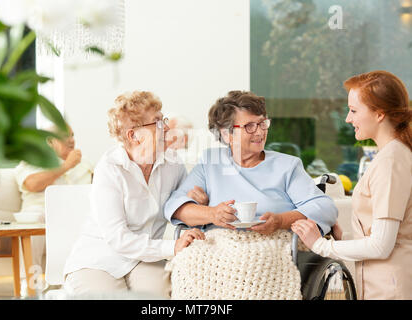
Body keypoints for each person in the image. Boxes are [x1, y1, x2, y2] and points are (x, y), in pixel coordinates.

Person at [63, 91, 205, 298]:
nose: (165, 127)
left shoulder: (173, 162)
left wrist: (195, 200)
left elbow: (182, 205)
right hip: (100, 258)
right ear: (134, 135)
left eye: (162, 119)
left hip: (146, 259)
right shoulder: (110, 168)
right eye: (157, 122)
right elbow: (118, 238)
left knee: (160, 297)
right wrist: (172, 247)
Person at [292, 70, 412, 300]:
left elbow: (381, 246)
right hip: (385, 284)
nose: (348, 118)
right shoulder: (391, 155)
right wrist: (344, 238)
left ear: (379, 114)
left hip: (392, 289)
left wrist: (320, 246)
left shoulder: (391, 162)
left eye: (354, 110)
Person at [164, 90, 338, 236]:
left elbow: (325, 207)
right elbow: (175, 206)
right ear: (226, 134)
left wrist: (280, 221)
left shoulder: (287, 166)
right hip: (219, 252)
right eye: (249, 126)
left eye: (262, 123)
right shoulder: (210, 162)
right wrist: (212, 214)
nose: (260, 132)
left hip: (272, 251)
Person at [15, 124, 93, 270]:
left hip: (75, 215)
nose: (71, 140)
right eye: (64, 136)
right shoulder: (34, 160)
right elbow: (32, 184)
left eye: (72, 135)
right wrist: (65, 166)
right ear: (49, 142)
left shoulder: (85, 163)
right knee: (33, 218)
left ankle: (73, 283)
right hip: (41, 214)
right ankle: (30, 283)